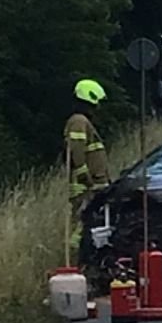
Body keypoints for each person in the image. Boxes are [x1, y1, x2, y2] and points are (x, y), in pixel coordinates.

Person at [63, 79, 110, 263]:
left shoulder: (82, 121)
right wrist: (86, 177)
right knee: (81, 227)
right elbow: (76, 150)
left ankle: (81, 260)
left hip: (89, 186)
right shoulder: (78, 121)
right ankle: (76, 261)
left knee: (87, 226)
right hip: (84, 187)